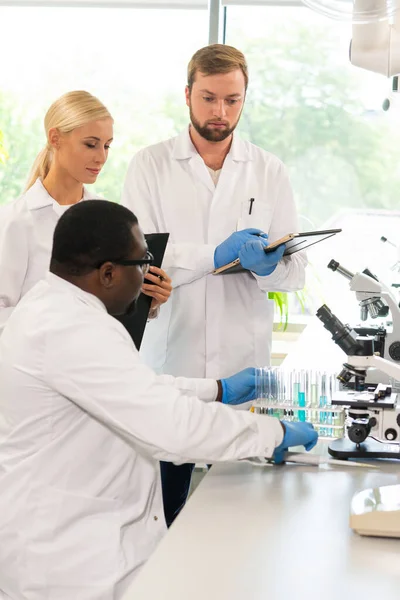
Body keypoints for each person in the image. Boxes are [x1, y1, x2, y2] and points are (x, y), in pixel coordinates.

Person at [0, 200, 317, 600]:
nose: (150, 272)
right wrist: (273, 431)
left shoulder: (54, 305)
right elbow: (172, 428)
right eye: (144, 261)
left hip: (80, 545)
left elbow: (131, 390)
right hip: (67, 566)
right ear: (109, 273)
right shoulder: (72, 329)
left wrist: (216, 389)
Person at [122, 44, 307, 524]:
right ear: (187, 95)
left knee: (240, 517)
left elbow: (295, 271)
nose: (219, 112)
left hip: (242, 361)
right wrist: (214, 255)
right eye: (208, 98)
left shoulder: (269, 171)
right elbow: (142, 262)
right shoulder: (151, 165)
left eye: (231, 100)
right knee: (160, 512)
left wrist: (269, 267)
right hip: (172, 358)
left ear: (245, 99)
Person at [0, 90, 171, 335]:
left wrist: (146, 302)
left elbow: (109, 310)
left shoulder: (109, 219)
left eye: (107, 146)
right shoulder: (17, 221)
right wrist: (55, 326)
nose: (101, 157)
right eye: (90, 144)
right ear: (55, 138)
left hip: (95, 363)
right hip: (39, 367)